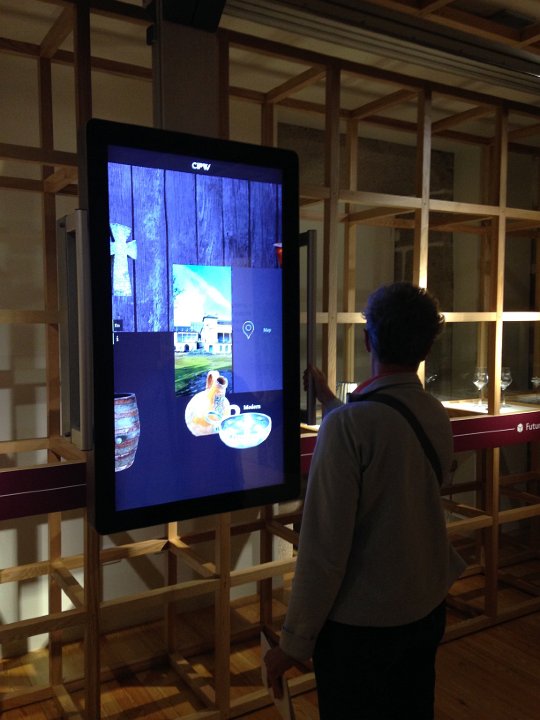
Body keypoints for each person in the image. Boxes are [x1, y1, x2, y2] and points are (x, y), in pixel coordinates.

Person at [264, 281, 466, 719]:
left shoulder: (348, 428)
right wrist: (329, 399)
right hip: (426, 609)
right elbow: (384, 436)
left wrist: (292, 644)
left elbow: (323, 551)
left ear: (366, 339)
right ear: (426, 346)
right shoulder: (434, 412)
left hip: (363, 630)